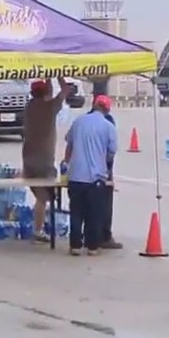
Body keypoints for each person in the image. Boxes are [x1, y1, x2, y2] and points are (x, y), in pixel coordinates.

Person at [63, 95, 117, 256]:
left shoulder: (79, 122)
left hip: (76, 176)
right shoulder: (108, 126)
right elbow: (111, 152)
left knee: (76, 212)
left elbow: (69, 144)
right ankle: (92, 246)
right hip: (96, 177)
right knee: (94, 213)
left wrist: (66, 164)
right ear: (107, 109)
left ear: (93, 106)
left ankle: (75, 245)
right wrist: (107, 170)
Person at [22, 77, 72, 243]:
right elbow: (64, 90)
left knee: (40, 196)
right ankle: (38, 230)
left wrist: (48, 77)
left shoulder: (29, 108)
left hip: (28, 159)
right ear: (46, 93)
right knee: (43, 198)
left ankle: (39, 227)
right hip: (44, 161)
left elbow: (49, 94)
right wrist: (57, 75)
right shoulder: (50, 108)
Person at [86, 96, 122, 249]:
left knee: (87, 205)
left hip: (84, 169)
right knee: (104, 205)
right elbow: (111, 150)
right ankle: (104, 236)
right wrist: (107, 168)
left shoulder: (84, 120)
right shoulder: (108, 122)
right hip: (102, 171)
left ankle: (88, 235)